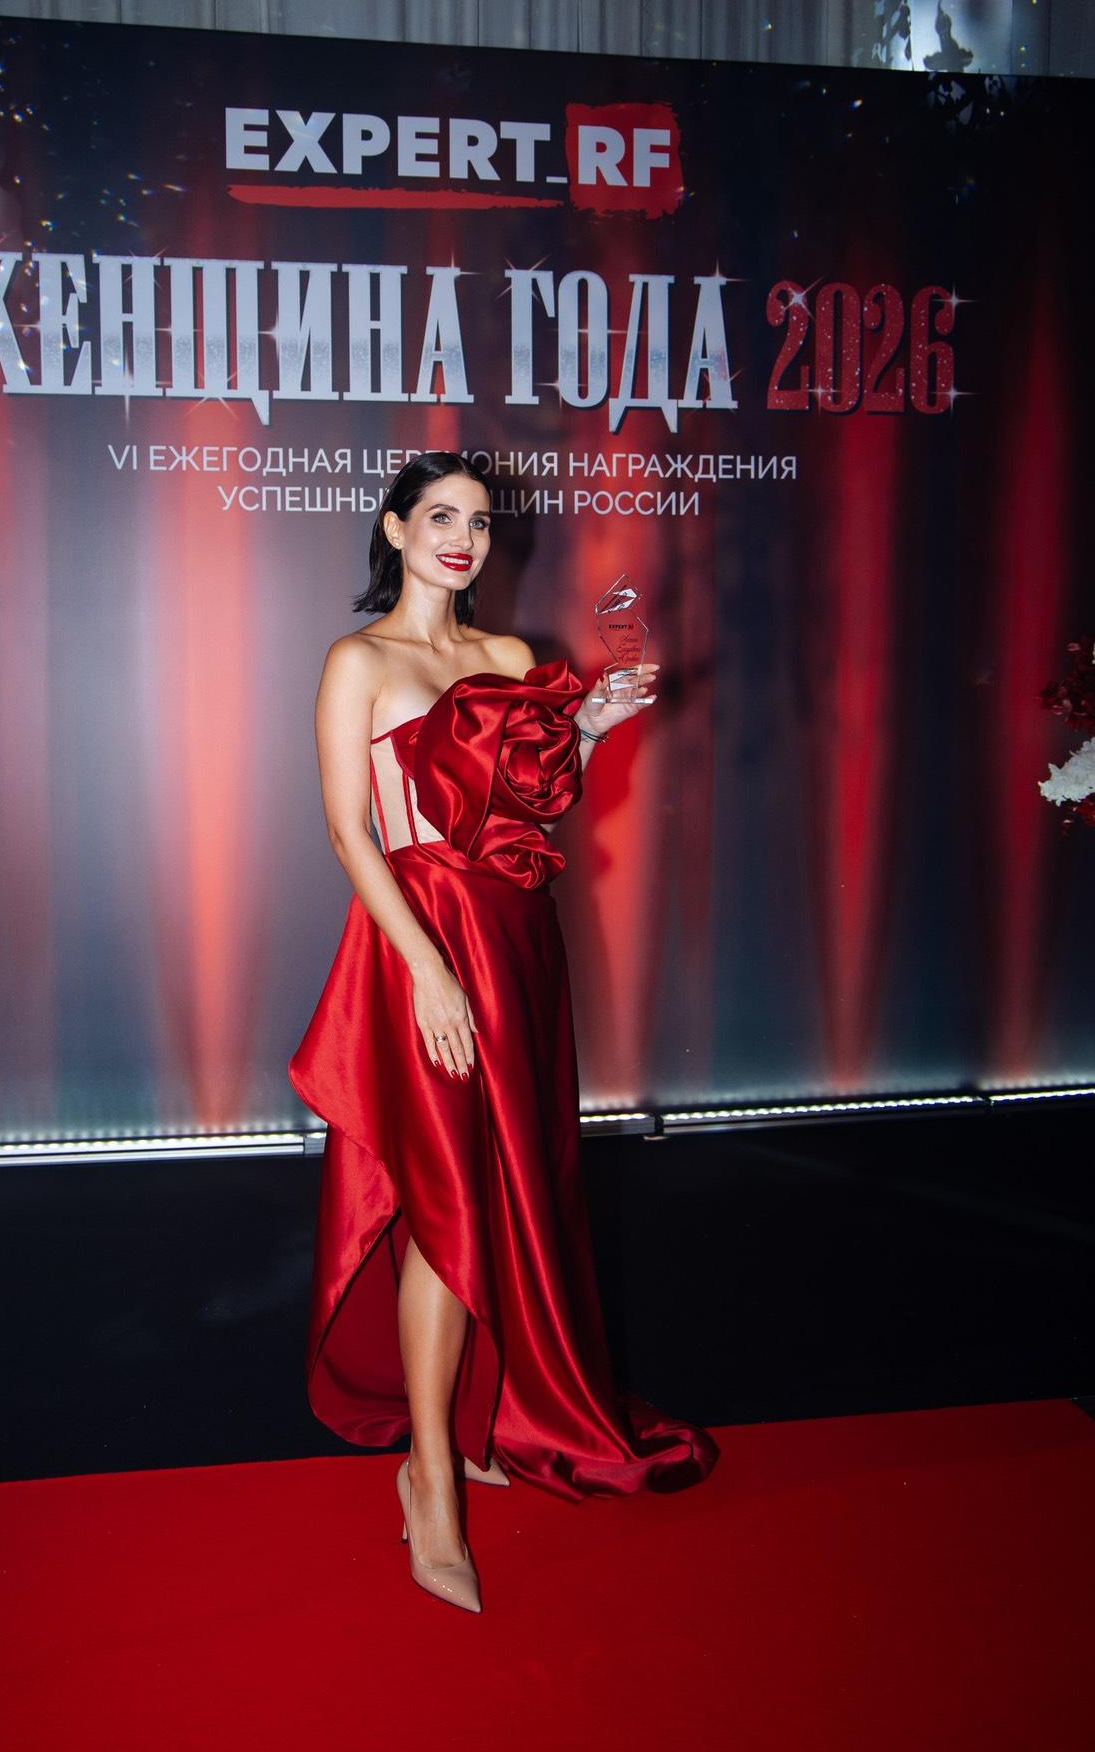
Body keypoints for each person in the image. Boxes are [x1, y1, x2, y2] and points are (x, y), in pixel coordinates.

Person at [289, 451, 717, 1614]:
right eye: (439, 517)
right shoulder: (358, 661)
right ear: (395, 528)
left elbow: (539, 798)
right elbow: (349, 834)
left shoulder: (511, 658)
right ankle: (429, 1474)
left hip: (517, 941)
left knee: (508, 1184)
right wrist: (424, 970)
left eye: (477, 522)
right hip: (419, 944)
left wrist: (597, 728)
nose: (462, 539)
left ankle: (480, 1420)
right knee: (443, 1202)